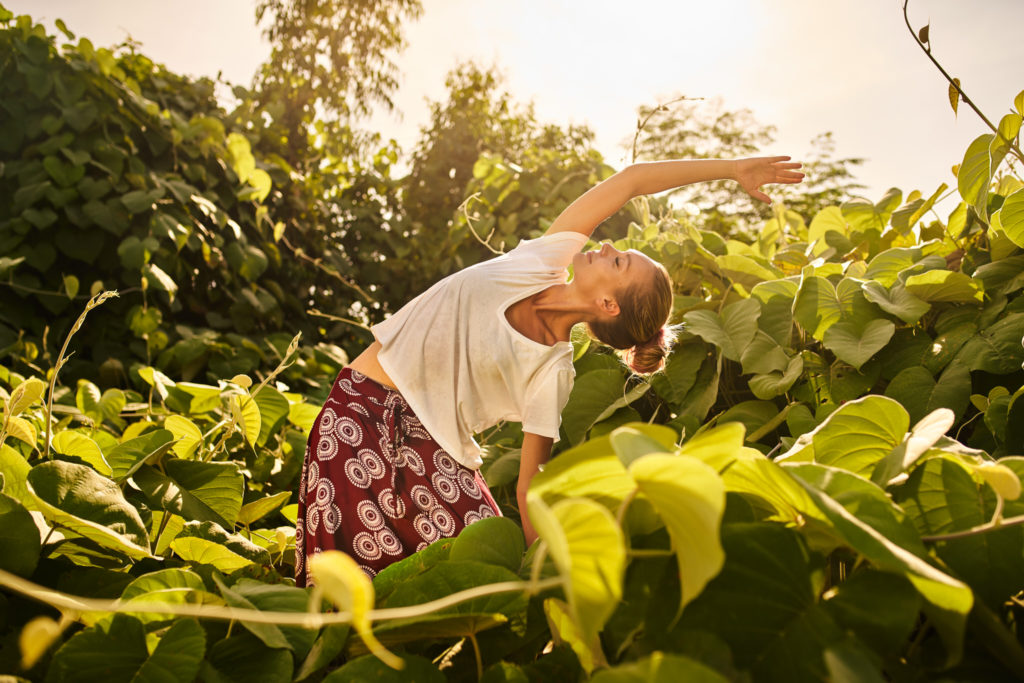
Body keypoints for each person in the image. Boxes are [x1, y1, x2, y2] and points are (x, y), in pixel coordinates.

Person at [295, 156, 803, 583]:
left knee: (482, 576)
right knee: (354, 587)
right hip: (358, 414)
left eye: (620, 261)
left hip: (435, 454)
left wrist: (549, 582)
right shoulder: (540, 261)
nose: (606, 246)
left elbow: (528, 486)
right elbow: (629, 182)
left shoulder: (553, 371)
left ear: (607, 304)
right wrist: (733, 168)